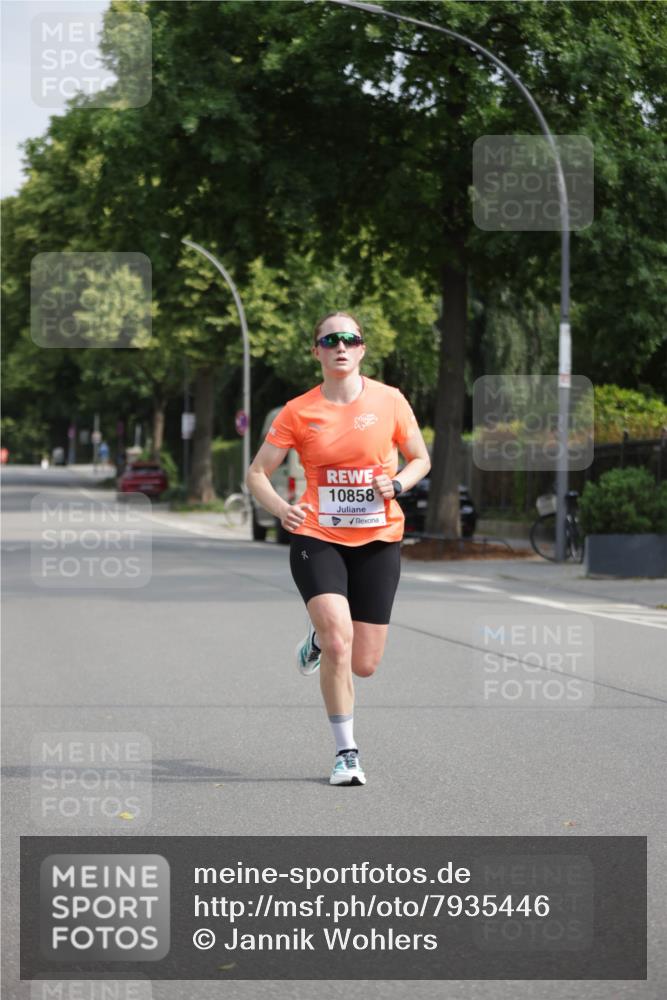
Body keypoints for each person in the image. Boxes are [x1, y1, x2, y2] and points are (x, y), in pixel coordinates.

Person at [246, 311, 431, 786]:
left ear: (362, 349)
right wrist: (280, 509)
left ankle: (317, 642)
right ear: (318, 352)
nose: (341, 347)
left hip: (379, 538)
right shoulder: (298, 410)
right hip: (317, 537)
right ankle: (346, 753)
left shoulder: (390, 401)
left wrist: (398, 483)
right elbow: (257, 472)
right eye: (331, 341)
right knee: (339, 639)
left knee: (364, 663)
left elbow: (420, 458)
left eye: (350, 339)